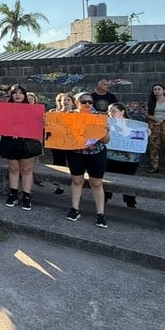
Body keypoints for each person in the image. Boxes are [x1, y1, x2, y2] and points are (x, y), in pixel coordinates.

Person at [65, 92, 111, 228]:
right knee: (76, 180)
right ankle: (75, 209)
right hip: (76, 153)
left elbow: (106, 140)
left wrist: (105, 131)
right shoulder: (69, 115)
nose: (87, 104)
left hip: (96, 153)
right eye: (84, 101)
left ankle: (100, 214)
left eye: (90, 102)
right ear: (77, 102)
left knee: (96, 183)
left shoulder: (100, 116)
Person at [0, 85, 39, 211]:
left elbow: (39, 126)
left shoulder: (33, 109)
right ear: (11, 95)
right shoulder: (4, 108)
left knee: (26, 170)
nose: (18, 95)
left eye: (20, 93)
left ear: (25, 95)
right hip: (10, 141)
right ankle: (13, 194)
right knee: (13, 169)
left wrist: (42, 120)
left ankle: (27, 196)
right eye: (15, 93)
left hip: (27, 143)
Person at [105, 103, 140, 208]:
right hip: (110, 157)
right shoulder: (106, 124)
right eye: (109, 111)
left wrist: (147, 132)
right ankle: (104, 199)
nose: (110, 113)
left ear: (122, 112)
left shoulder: (134, 125)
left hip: (129, 159)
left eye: (113, 111)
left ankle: (130, 202)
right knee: (107, 179)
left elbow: (139, 138)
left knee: (128, 181)